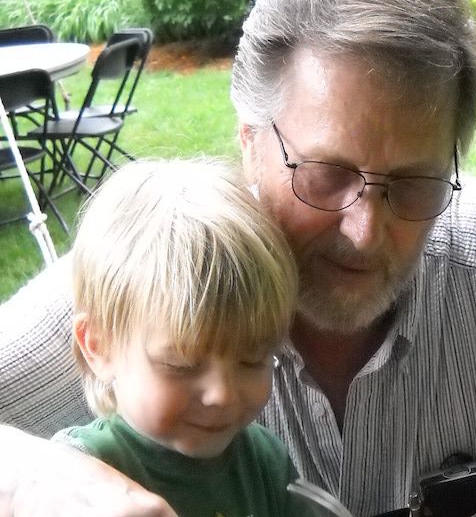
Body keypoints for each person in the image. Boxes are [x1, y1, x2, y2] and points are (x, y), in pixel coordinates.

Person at [0, 0, 476, 516]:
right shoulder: (162, 267)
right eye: (325, 175)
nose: (364, 230)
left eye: (414, 184)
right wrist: (33, 478)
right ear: (250, 141)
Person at [46, 159, 314, 516]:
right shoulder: (77, 473)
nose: (221, 394)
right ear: (98, 345)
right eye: (182, 364)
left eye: (253, 359)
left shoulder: (265, 461)